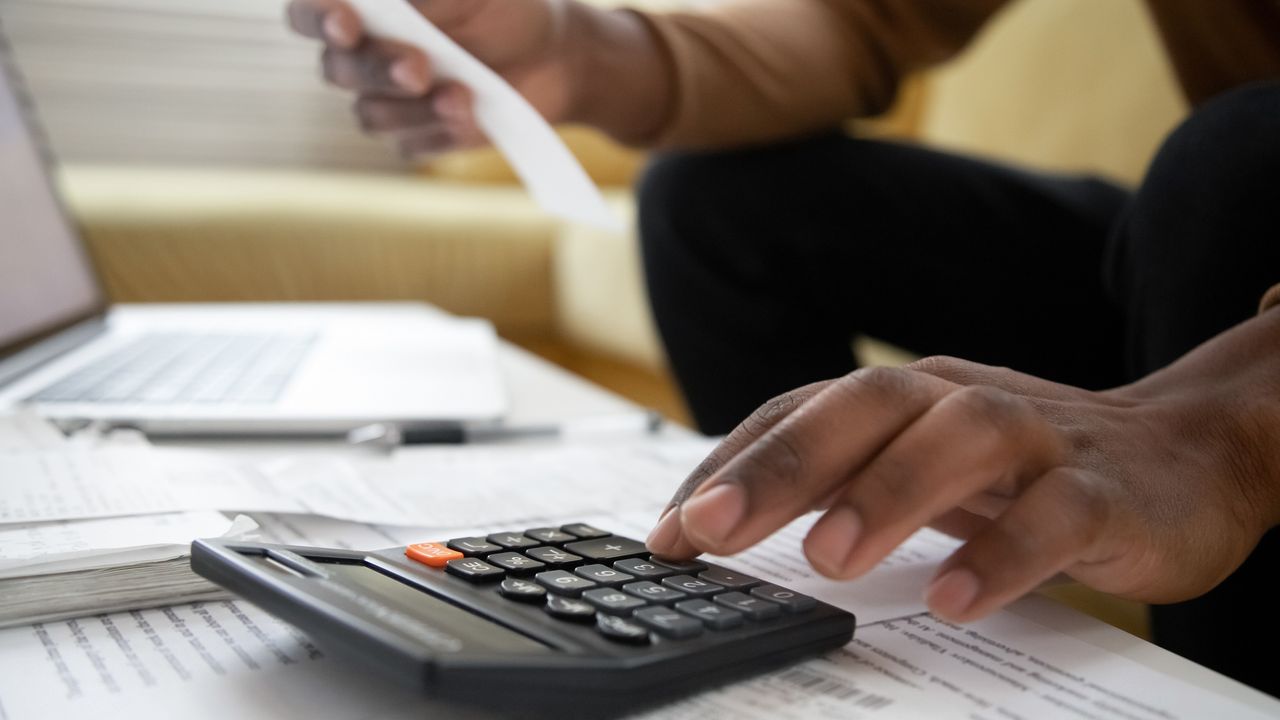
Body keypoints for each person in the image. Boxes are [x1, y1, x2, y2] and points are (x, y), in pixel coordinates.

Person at [285, 0, 1280, 695]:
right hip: (1171, 247)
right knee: (714, 199)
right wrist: (571, 49)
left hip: (1238, 238)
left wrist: (1239, 426)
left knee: (1234, 167)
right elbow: (862, 21)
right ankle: (789, 609)